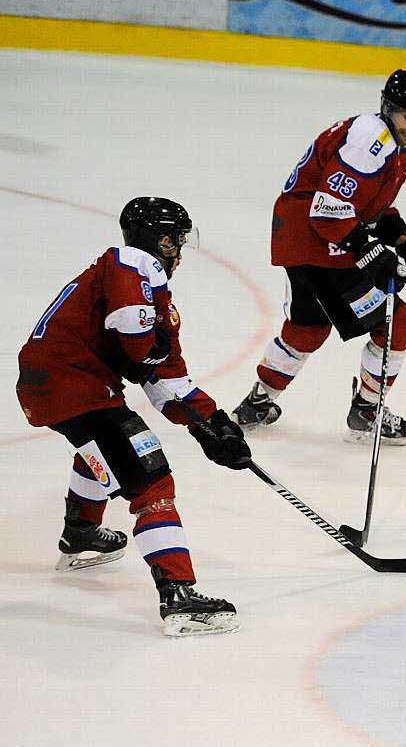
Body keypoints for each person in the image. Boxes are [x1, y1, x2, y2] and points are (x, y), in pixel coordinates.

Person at [16, 197, 252, 637]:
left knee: (101, 451)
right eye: (178, 240)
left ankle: (81, 532)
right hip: (74, 388)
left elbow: (164, 376)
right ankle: (178, 594)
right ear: (162, 240)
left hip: (63, 386)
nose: (180, 250)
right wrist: (148, 346)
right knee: (151, 480)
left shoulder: (148, 288)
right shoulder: (131, 263)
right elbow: (135, 335)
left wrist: (211, 424)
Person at [232, 69, 406, 445]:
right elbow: (329, 210)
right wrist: (369, 250)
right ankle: (366, 411)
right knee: (398, 321)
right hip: (322, 240)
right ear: (387, 108)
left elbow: (367, 209)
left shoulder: (390, 147)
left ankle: (258, 402)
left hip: (301, 238)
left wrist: (403, 241)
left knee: (308, 327)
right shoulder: (370, 141)